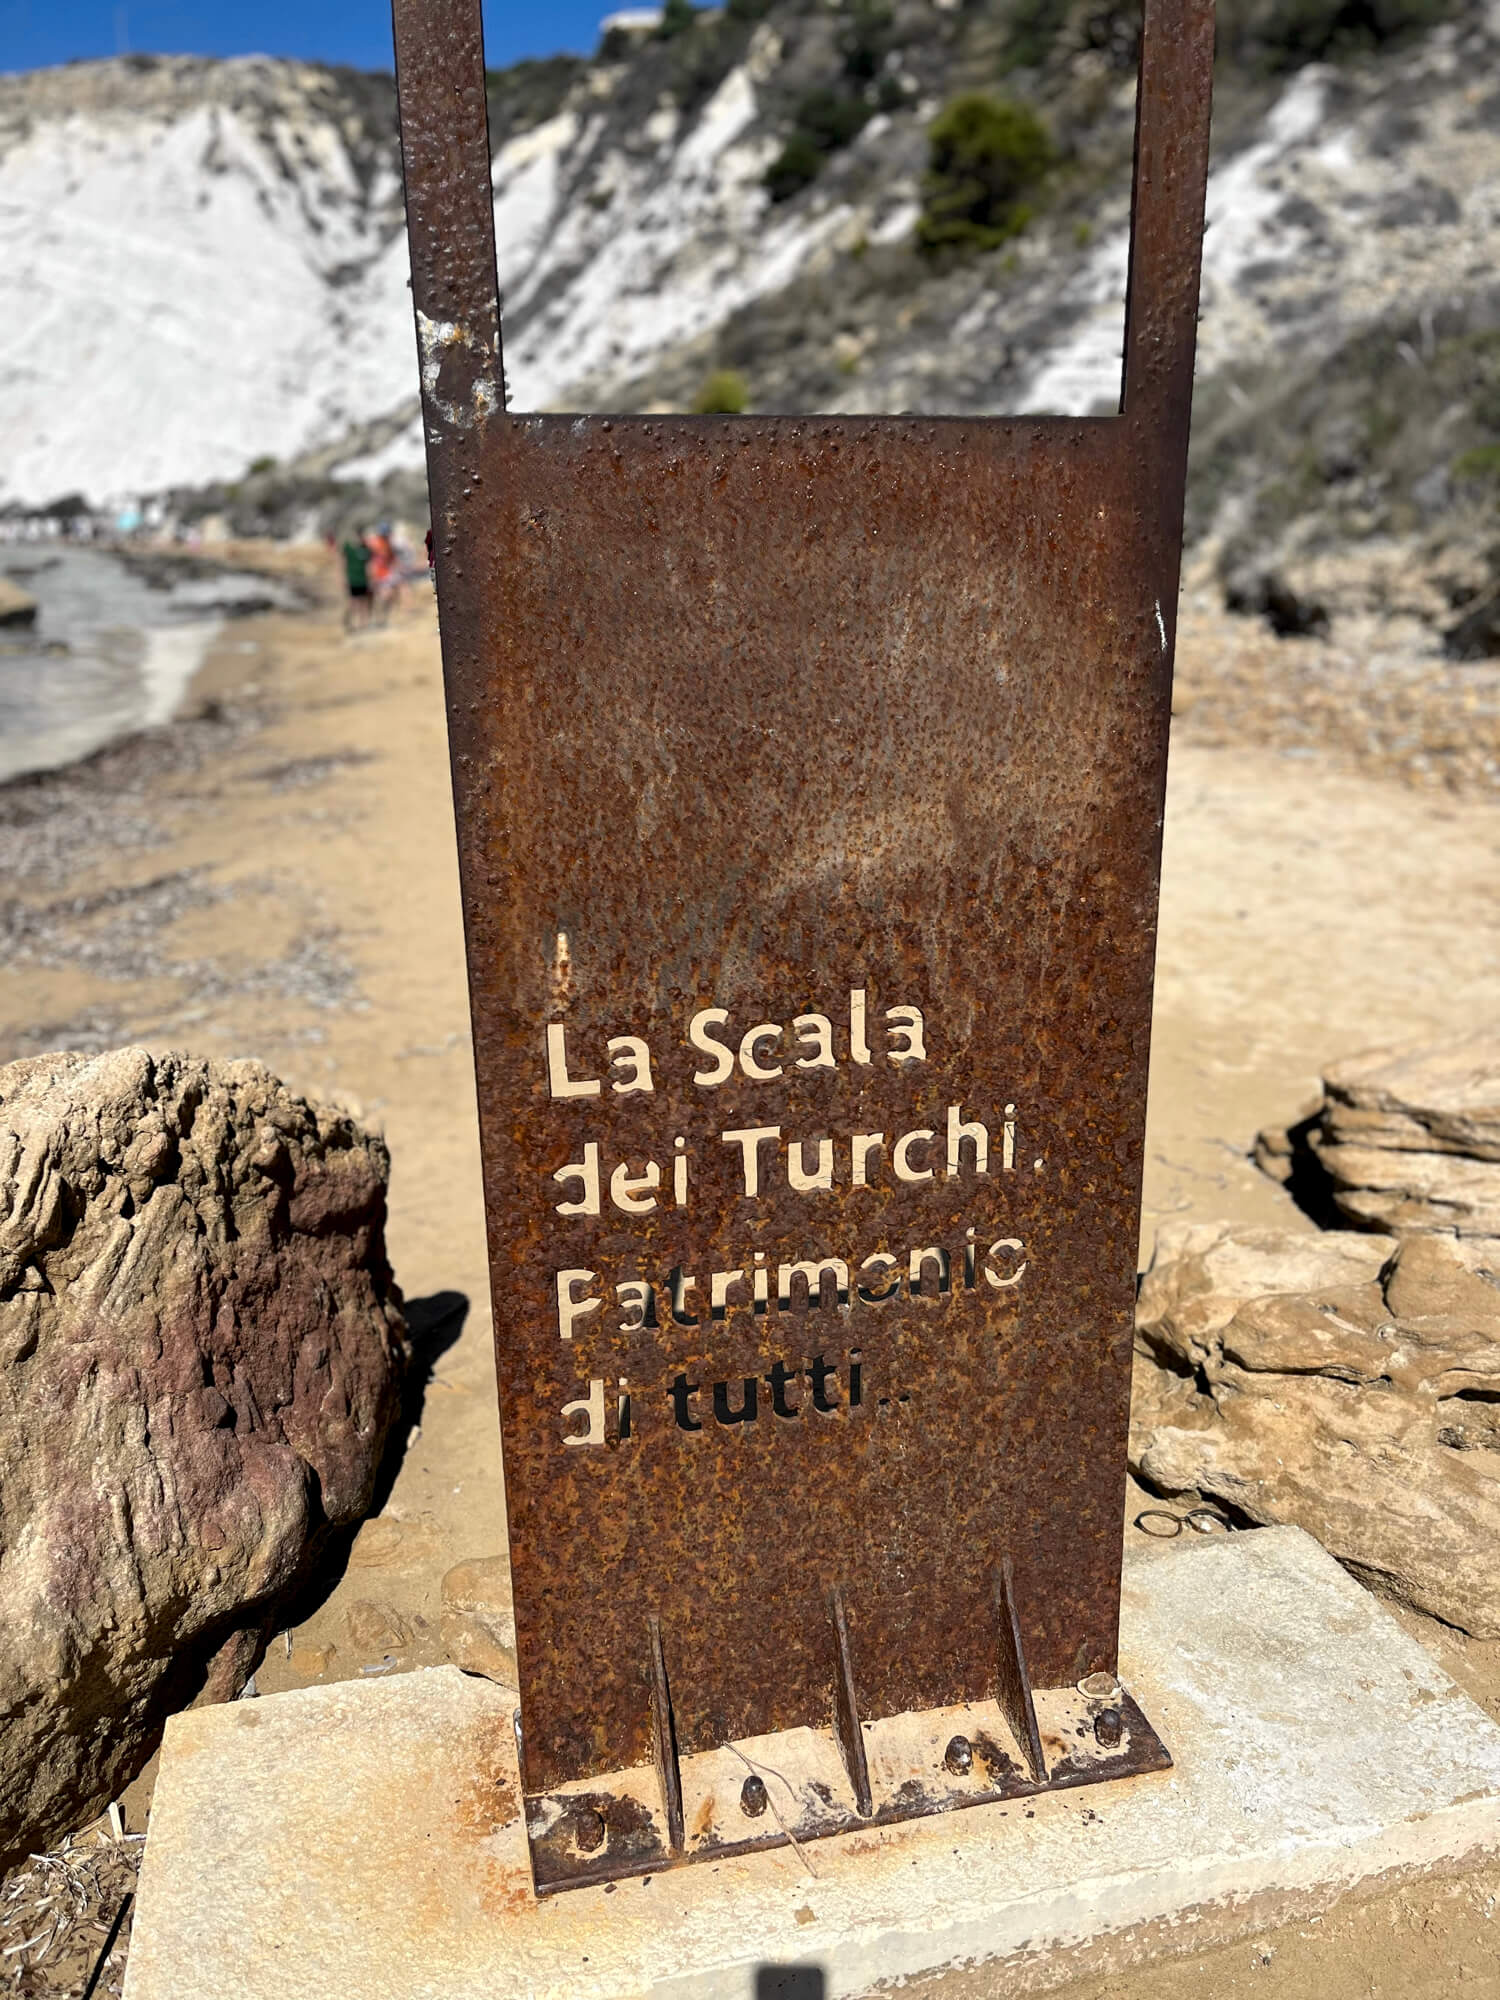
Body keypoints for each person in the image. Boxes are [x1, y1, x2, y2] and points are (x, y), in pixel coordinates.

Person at [340, 531, 372, 630]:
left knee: (364, 602)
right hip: (352, 579)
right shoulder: (348, 548)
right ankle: (348, 621)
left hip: (363, 580)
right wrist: (343, 578)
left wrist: (370, 579)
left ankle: (363, 624)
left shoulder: (365, 549)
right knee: (352, 603)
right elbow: (342, 563)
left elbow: (368, 566)